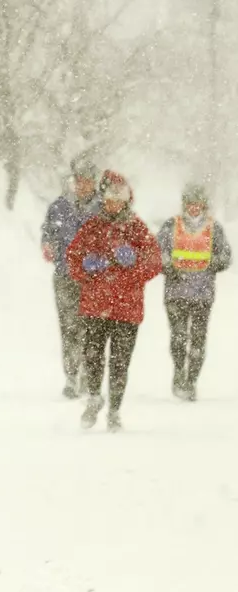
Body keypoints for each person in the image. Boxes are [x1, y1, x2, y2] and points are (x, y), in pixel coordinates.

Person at [66, 170, 161, 432]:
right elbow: (73, 257)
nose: (112, 204)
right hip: (95, 305)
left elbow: (154, 262)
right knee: (93, 356)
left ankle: (115, 410)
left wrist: (134, 265)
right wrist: (86, 267)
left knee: (120, 362)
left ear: (126, 201)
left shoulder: (137, 229)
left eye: (118, 200)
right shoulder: (92, 226)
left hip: (127, 309)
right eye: (108, 199)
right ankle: (94, 398)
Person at [157, 184, 232, 401]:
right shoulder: (171, 225)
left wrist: (213, 264)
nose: (194, 208)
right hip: (176, 292)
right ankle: (179, 371)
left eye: (197, 204)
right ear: (184, 205)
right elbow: (156, 252)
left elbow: (226, 256)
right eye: (190, 204)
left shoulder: (214, 228)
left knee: (198, 340)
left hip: (203, 294)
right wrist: (168, 266)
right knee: (179, 338)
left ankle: (191, 380)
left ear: (204, 206)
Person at [41, 156, 100, 398]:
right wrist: (48, 244)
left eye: (86, 181)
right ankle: (71, 376)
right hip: (65, 276)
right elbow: (49, 232)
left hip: (93, 279)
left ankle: (88, 374)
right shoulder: (59, 206)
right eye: (78, 180)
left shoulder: (103, 208)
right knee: (68, 328)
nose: (82, 185)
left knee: (90, 328)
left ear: (94, 182)